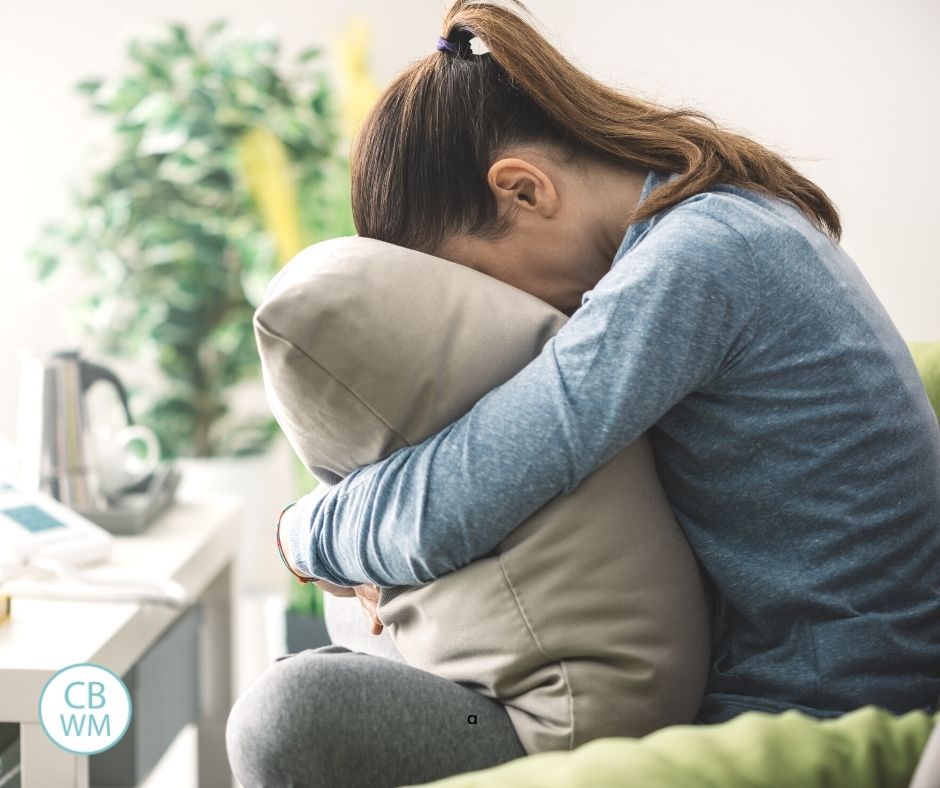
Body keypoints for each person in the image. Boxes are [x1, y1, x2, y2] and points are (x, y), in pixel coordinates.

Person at [225, 1, 940, 785]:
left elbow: (459, 496)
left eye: (481, 283)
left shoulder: (697, 261)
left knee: (292, 714)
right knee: (330, 676)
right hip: (781, 685)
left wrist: (301, 535)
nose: (520, 317)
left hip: (810, 719)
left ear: (523, 191)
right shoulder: (738, 222)